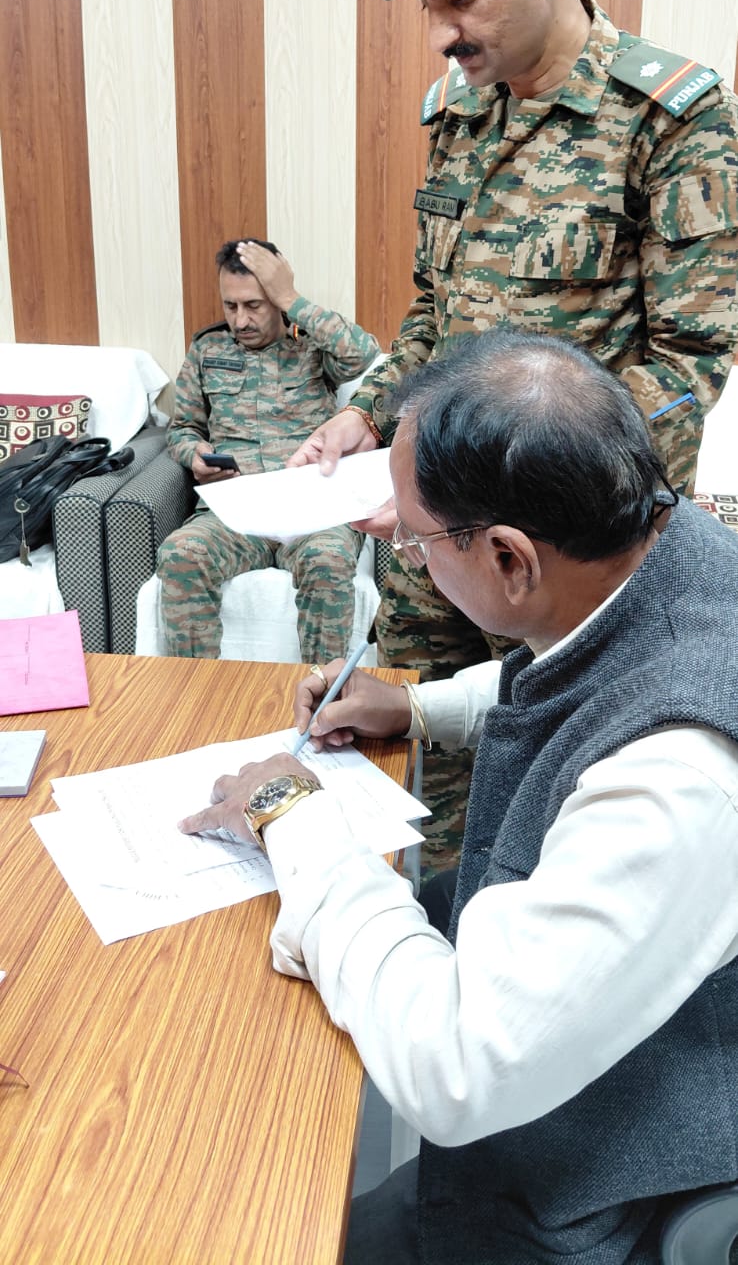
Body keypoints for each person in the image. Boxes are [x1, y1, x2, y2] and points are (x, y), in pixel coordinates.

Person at [180, 328, 738, 1265]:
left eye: (415, 537)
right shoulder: (661, 542)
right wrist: (418, 706)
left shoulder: (681, 781)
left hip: (599, 1186)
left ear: (512, 559)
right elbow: (588, 665)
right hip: (579, 1069)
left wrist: (288, 810)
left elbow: (457, 1071)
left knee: (273, 1226)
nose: (406, 553)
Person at [290, 0, 738, 681]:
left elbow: (690, 368)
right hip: (436, 545)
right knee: (408, 734)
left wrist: (490, 485)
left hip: (568, 558)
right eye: (427, 6)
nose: (440, 34)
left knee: (553, 755)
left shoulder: (670, 118)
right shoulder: (460, 114)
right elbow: (437, 313)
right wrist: (368, 415)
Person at [157, 238, 379, 663]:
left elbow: (363, 354)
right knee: (180, 555)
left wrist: (292, 298)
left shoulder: (312, 345)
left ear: (275, 300)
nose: (241, 320)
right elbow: (182, 428)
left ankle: (322, 697)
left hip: (311, 509)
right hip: (237, 511)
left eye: (254, 305)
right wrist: (194, 454)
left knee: (328, 559)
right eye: (231, 306)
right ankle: (196, 691)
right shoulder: (208, 350)